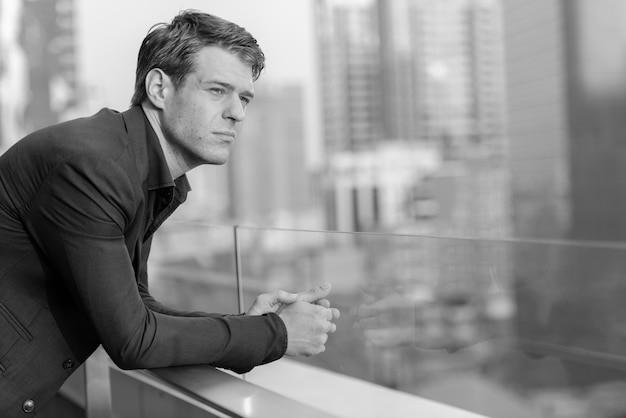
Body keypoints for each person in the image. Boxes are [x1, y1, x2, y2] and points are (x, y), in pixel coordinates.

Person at [0, 10, 339, 416]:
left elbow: (137, 306)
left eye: (244, 97)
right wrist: (276, 334)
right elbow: (133, 340)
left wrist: (249, 324)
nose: (238, 113)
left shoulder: (138, 168)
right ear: (159, 88)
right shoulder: (94, 167)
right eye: (218, 91)